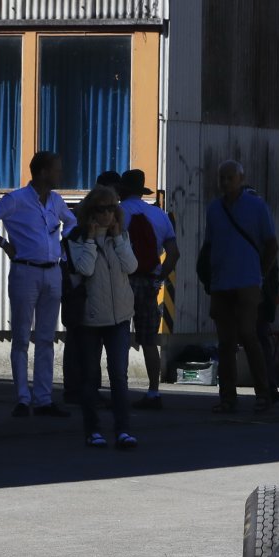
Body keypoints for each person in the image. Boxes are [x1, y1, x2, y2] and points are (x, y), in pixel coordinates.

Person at [0, 151, 75, 417]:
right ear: (42, 172)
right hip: (25, 270)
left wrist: (63, 246)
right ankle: (22, 397)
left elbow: (71, 221)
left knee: (46, 338)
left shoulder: (56, 200)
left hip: (52, 271)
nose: (60, 174)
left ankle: (43, 398)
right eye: (56, 169)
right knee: (21, 337)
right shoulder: (15, 199)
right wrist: (3, 243)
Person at [66, 187, 138, 449]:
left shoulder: (121, 235)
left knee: (119, 375)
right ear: (90, 212)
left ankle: (123, 430)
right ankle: (93, 430)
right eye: (101, 209)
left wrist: (117, 238)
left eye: (112, 208)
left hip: (119, 317)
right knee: (89, 376)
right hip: (90, 317)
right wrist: (91, 238)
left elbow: (131, 266)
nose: (107, 214)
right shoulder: (76, 238)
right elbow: (84, 268)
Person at [204, 159, 279, 412]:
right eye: (222, 178)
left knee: (248, 335)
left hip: (247, 282)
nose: (225, 182)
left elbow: (272, 244)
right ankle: (228, 397)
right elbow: (209, 245)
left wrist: (260, 274)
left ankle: (263, 393)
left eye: (230, 178)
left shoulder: (257, 206)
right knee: (225, 341)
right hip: (221, 283)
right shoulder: (214, 209)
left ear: (241, 180)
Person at [107, 169, 180, 411]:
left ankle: (119, 392)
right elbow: (174, 253)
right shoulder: (159, 215)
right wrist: (160, 275)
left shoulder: (118, 212)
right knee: (149, 340)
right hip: (149, 282)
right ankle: (153, 392)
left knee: (119, 337)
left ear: (122, 190)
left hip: (122, 280)